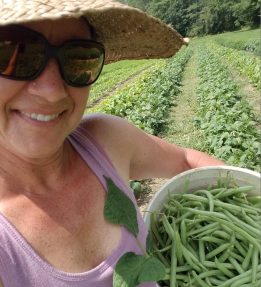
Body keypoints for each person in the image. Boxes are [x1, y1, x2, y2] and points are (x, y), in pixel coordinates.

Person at [0, 0, 224, 286]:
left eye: (79, 58)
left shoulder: (106, 140)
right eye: (15, 54)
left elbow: (186, 161)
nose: (52, 91)